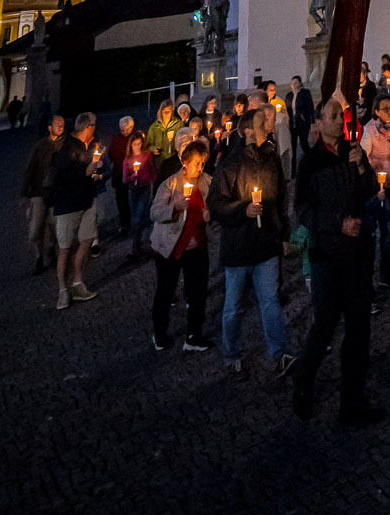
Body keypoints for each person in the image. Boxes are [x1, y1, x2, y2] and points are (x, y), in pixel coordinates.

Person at [290, 96, 386, 424]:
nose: (338, 120)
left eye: (340, 115)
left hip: (358, 253)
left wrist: (362, 166)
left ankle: (352, 399)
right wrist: (336, 224)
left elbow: (371, 189)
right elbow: (302, 210)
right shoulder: (310, 162)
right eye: (332, 116)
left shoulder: (352, 151)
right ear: (317, 123)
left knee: (359, 327)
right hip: (327, 255)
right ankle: (303, 385)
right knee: (325, 324)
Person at [209, 107, 295, 376]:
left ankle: (279, 353)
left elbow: (281, 200)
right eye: (261, 122)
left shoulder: (271, 158)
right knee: (233, 307)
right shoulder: (230, 163)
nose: (268, 125)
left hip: (267, 242)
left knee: (270, 301)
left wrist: (283, 234)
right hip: (239, 246)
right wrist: (241, 210)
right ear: (247, 131)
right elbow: (215, 204)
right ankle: (232, 354)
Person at [150, 140, 213, 352]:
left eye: (203, 163)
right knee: (166, 292)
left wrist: (210, 213)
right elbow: (155, 212)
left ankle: (194, 335)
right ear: (185, 162)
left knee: (197, 292)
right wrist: (174, 208)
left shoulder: (206, 182)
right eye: (196, 163)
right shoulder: (170, 184)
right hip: (169, 247)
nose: (200, 168)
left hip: (196, 246)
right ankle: (159, 334)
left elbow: (215, 204)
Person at [47, 112, 105, 310]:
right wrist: (85, 171)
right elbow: (59, 176)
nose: (96, 128)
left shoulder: (92, 144)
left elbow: (91, 169)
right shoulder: (66, 147)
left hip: (88, 200)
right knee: (64, 249)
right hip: (68, 205)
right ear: (87, 126)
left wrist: (97, 171)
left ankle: (77, 283)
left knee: (87, 241)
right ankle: (63, 291)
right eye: (94, 125)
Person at [360, 94, 390, 295]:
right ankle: (387, 278)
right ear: (376, 111)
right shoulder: (369, 131)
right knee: (387, 231)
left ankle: (387, 271)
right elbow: (362, 160)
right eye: (385, 108)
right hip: (381, 190)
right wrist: (376, 179)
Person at [21, 112, 65, 273]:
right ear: (49, 127)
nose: (60, 127)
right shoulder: (40, 147)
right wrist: (25, 194)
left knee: (53, 225)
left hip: (56, 193)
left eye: (62, 125)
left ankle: (50, 249)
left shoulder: (65, 145)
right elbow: (29, 170)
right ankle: (39, 256)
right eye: (57, 125)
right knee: (36, 228)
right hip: (38, 193)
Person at [124, 129, 158, 256]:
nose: (137, 147)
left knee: (138, 217)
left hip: (144, 188)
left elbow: (152, 171)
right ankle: (141, 239)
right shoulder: (127, 160)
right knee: (137, 218)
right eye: (135, 144)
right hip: (133, 191)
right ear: (130, 145)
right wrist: (132, 177)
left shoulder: (146, 155)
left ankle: (135, 247)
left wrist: (154, 185)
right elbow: (125, 178)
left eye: (139, 144)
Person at [106, 115, 136, 241]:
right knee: (121, 199)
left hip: (133, 172)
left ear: (132, 127)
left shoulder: (136, 138)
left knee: (135, 196)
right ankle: (125, 223)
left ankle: (137, 219)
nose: (125, 132)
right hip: (119, 173)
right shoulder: (116, 139)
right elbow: (110, 154)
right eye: (123, 130)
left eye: (127, 129)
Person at [288, 77, 315, 171]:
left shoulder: (305, 93)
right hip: (293, 123)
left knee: (304, 143)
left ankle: (312, 162)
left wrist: (312, 122)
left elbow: (310, 107)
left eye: (296, 83)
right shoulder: (289, 95)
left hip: (303, 122)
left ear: (300, 83)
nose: (294, 85)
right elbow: (288, 109)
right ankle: (293, 169)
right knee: (293, 146)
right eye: (292, 83)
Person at [146, 100, 178, 167]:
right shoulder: (154, 127)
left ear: (172, 111)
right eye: (164, 111)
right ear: (160, 112)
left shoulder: (178, 124)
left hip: (174, 160)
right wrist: (153, 149)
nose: (166, 114)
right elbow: (148, 145)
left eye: (168, 111)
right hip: (159, 161)